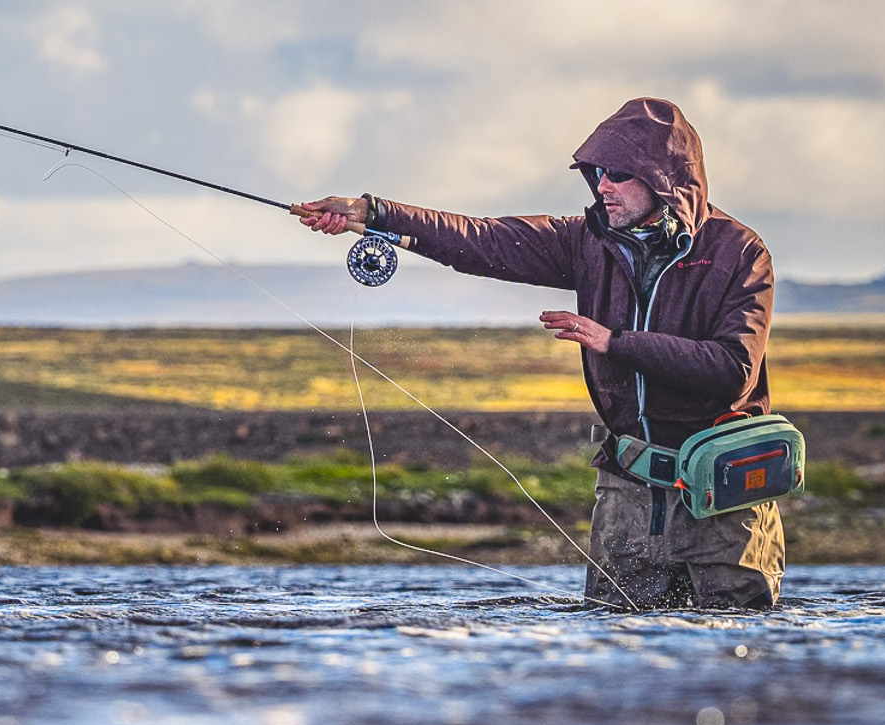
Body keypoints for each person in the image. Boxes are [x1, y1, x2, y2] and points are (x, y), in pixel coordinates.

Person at [295, 97, 783, 610]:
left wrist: (615, 342)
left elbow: (733, 370)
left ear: (663, 179)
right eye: (597, 174)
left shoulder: (740, 253)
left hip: (723, 499)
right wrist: (373, 215)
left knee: (735, 642)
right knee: (618, 644)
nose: (603, 187)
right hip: (628, 495)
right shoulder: (588, 241)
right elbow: (483, 240)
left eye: (618, 174)